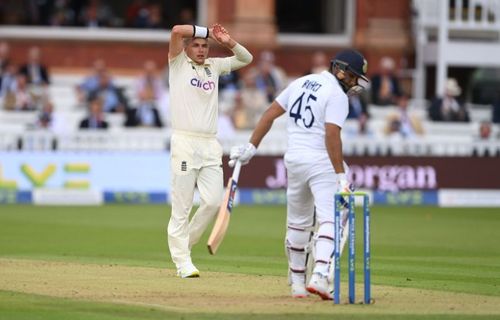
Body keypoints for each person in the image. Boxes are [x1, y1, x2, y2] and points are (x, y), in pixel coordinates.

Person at [229, 49, 369, 299]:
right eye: (352, 76)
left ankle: (297, 285)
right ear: (340, 69)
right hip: (321, 161)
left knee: (298, 222)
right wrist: (340, 176)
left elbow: (270, 113)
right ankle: (320, 275)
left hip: (294, 160)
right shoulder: (337, 95)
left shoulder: (301, 82)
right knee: (333, 217)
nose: (354, 82)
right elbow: (332, 134)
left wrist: (251, 147)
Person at [167, 23, 253, 278]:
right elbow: (175, 31)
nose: (202, 49)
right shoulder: (178, 63)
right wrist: (203, 31)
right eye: (197, 45)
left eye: (205, 46)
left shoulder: (215, 66)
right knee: (181, 206)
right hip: (184, 141)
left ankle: (185, 245)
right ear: (187, 47)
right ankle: (182, 262)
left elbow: (246, 59)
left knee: (214, 201)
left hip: (210, 144)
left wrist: (226, 41)